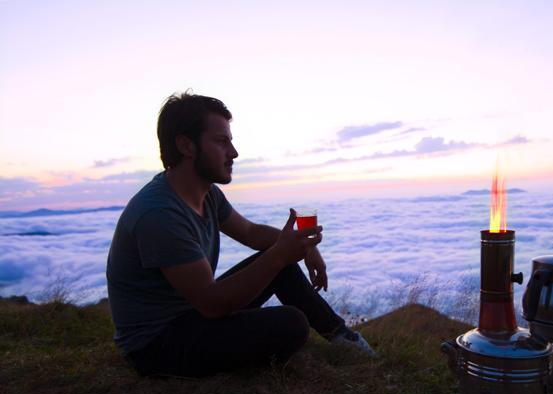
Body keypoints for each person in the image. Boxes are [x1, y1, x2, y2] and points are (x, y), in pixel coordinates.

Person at [106, 92, 375, 378]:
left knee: (279, 267)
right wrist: (278, 255)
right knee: (291, 324)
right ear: (186, 145)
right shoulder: (159, 214)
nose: (233, 152)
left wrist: (305, 249)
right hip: (156, 346)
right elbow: (210, 304)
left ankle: (344, 339)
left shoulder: (206, 194)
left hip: (189, 315)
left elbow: (249, 232)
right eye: (221, 142)